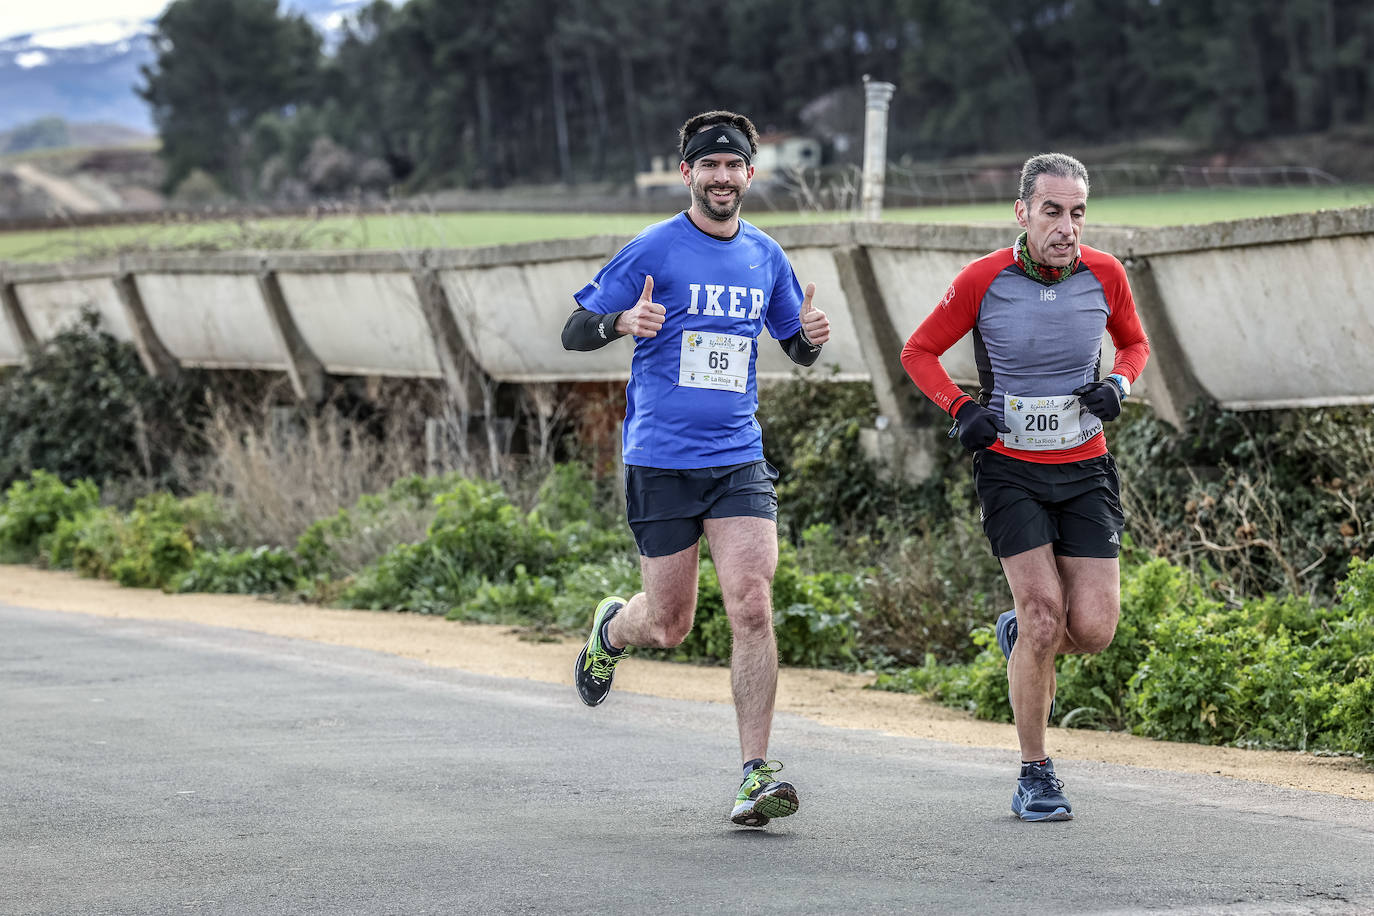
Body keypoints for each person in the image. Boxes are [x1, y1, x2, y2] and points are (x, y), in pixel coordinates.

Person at [560, 110, 831, 827]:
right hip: (660, 460)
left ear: (750, 173)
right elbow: (573, 330)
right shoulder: (654, 249)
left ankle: (753, 774)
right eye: (707, 165)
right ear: (687, 173)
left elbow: (794, 346)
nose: (721, 177)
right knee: (670, 625)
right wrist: (621, 324)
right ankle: (613, 629)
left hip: (738, 457)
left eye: (733, 164)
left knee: (751, 601)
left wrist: (807, 339)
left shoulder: (766, 256)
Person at [900, 153, 1150, 822]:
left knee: (1091, 629)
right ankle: (1035, 773)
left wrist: (1118, 385)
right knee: (1045, 617)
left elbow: (1135, 346)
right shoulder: (984, 279)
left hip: (1084, 464)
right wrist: (962, 409)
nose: (1066, 227)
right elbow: (918, 352)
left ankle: (1025, 637)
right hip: (1010, 467)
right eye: (1052, 212)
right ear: (1022, 212)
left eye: (1077, 213)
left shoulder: (1107, 274)